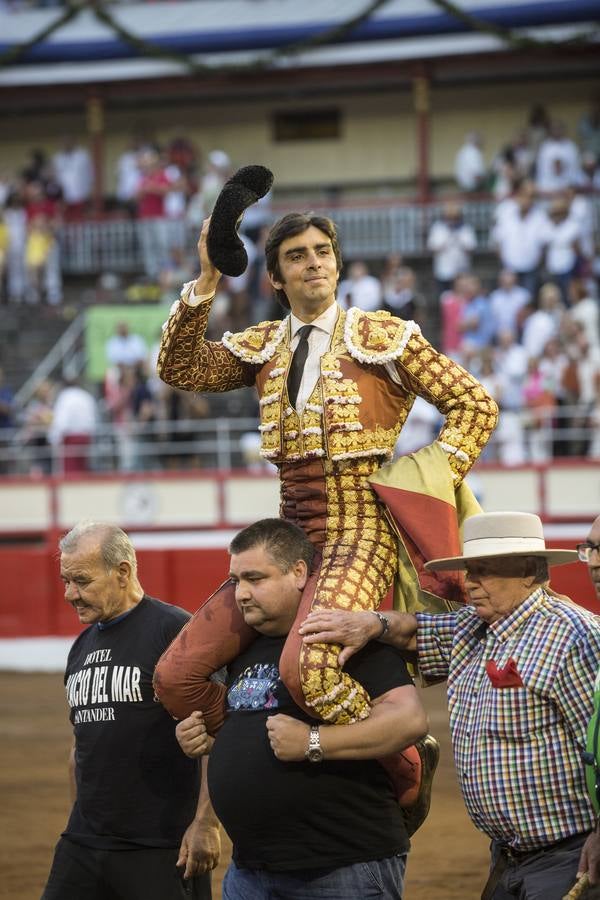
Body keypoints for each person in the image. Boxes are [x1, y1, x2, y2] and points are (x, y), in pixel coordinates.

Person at [156, 210, 498, 727]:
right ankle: (247, 750)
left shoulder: (382, 336)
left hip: (361, 534)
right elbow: (178, 366)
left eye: (323, 252)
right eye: (297, 256)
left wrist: (421, 479)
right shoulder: (265, 344)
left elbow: (476, 405)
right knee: (175, 677)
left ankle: (402, 756)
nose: (313, 263)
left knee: (311, 668)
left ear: (337, 265)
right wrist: (208, 278)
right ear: (276, 277)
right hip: (285, 538)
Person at [300, 510, 600, 900]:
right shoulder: (472, 628)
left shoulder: (576, 636)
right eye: (469, 571)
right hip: (509, 856)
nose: (471, 584)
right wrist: (372, 623)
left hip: (569, 853)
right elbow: (413, 629)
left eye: (485, 571)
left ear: (529, 571)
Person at [175, 517, 428, 900]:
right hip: (250, 870)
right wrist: (206, 747)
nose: (241, 593)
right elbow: (232, 742)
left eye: (255, 579)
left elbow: (409, 720)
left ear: (297, 573)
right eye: (236, 581)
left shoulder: (340, 639)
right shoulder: (239, 651)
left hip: (342, 868)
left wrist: (313, 741)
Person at [41, 521, 220, 900]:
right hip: (83, 844)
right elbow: (82, 746)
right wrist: (80, 823)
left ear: (122, 572)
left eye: (82, 581)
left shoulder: (173, 631)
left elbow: (218, 732)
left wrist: (205, 823)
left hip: (158, 846)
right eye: (65, 581)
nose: (70, 594)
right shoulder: (82, 645)